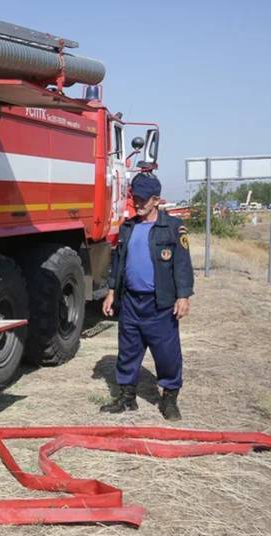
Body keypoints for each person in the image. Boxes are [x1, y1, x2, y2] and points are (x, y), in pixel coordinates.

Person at [100, 172, 194, 420]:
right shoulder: (128, 228)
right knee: (128, 351)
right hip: (131, 302)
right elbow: (118, 264)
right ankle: (126, 398)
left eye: (143, 199)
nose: (138, 203)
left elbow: (182, 265)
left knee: (167, 354)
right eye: (135, 198)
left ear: (156, 200)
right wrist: (111, 292)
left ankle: (170, 400)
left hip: (160, 304)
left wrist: (183, 296)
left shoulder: (172, 228)